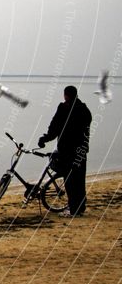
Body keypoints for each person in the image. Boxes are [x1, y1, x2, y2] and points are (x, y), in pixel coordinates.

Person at [38, 85, 92, 217]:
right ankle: (80, 207)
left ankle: (74, 210)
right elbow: (86, 128)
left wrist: (44, 139)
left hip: (67, 150)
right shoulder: (84, 110)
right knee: (79, 179)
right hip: (81, 151)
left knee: (70, 180)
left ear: (66, 95)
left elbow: (54, 127)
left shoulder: (64, 108)